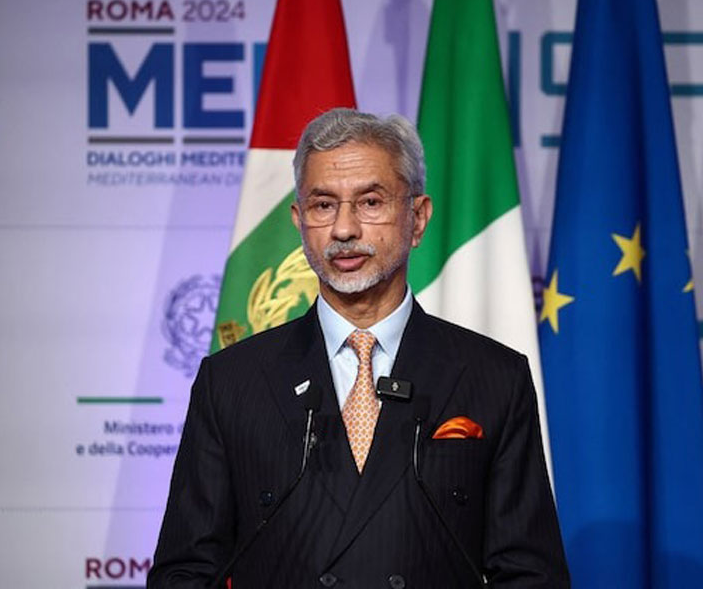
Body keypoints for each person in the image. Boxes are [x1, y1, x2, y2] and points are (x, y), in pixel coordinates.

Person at [148, 109, 569, 588]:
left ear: (417, 218)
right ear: (299, 220)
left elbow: (532, 576)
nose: (344, 229)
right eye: (323, 205)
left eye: (370, 202)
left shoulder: (493, 377)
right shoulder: (232, 382)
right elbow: (184, 573)